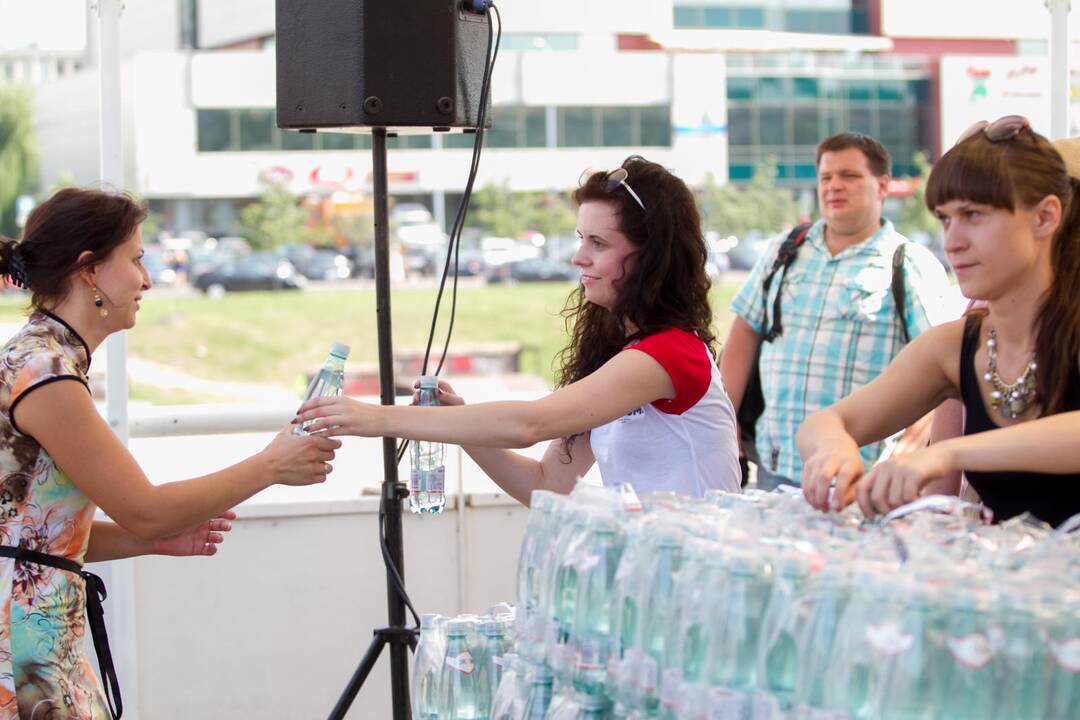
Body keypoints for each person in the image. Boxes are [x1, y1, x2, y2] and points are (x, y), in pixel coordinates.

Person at [0, 188, 340, 719]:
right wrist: (271, 464)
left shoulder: (38, 359)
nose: (147, 279)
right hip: (22, 647)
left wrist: (147, 541)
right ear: (89, 270)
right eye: (135, 259)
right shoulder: (45, 374)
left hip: (31, 636)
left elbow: (32, 537)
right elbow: (146, 507)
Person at [296, 155, 741, 505]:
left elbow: (531, 423)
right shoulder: (621, 355)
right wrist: (453, 423)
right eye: (580, 238)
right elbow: (547, 486)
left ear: (652, 259)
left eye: (598, 244)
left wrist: (378, 418)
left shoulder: (671, 354)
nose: (578, 258)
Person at [798, 116, 1080, 527]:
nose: (953, 240)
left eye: (974, 214)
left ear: (1045, 217)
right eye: (946, 218)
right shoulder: (955, 346)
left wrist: (948, 453)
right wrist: (832, 449)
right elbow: (824, 422)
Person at [720, 132, 951, 491]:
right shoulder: (786, 250)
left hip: (862, 476)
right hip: (775, 467)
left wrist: (912, 448)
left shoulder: (907, 263)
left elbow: (943, 368)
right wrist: (725, 417)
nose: (834, 186)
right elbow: (745, 331)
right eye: (826, 177)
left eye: (850, 176)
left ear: (882, 185)